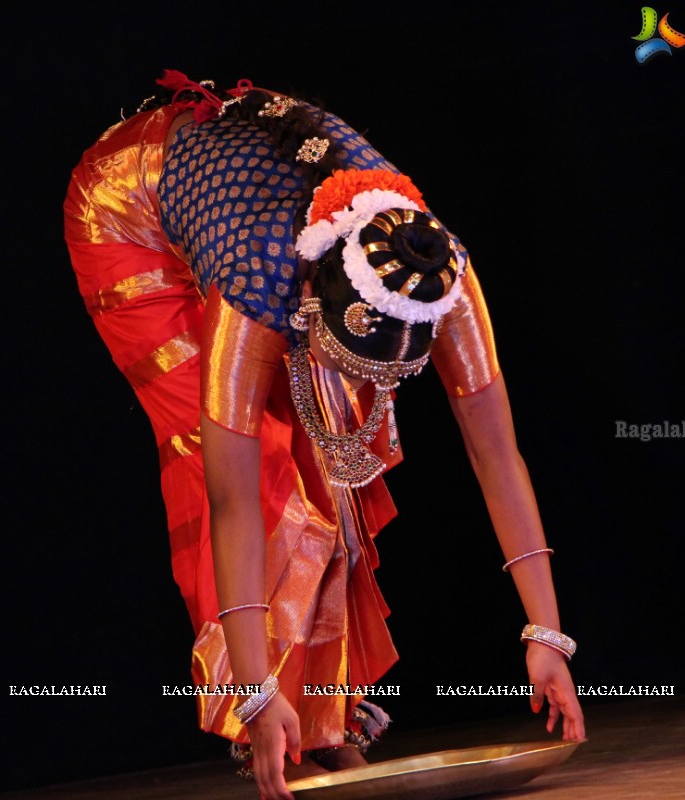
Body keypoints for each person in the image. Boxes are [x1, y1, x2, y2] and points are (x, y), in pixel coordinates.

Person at [63, 71, 584, 800]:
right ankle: (268, 721)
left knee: (334, 464)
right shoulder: (260, 285)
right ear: (313, 307)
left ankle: (319, 720)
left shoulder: (440, 278)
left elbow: (496, 451)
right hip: (127, 216)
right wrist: (252, 689)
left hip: (254, 212)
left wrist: (546, 634)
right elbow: (231, 500)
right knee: (267, 469)